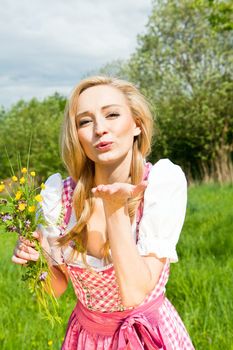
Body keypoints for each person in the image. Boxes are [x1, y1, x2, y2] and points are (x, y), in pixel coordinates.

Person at [12, 76, 195, 349]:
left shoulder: (161, 183)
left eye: (112, 114)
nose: (100, 129)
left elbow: (134, 293)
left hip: (148, 335)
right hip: (86, 337)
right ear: (77, 136)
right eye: (85, 121)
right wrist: (36, 261)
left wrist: (116, 210)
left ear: (137, 125)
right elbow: (56, 288)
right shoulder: (58, 197)